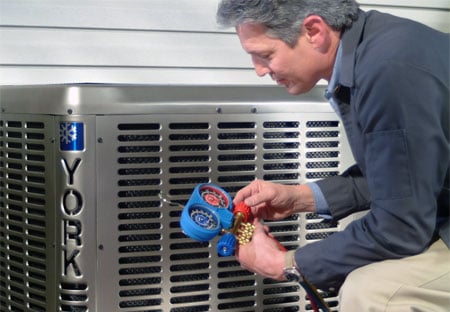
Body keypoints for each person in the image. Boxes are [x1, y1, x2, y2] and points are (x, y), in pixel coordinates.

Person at [216, 0, 450, 311]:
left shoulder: (388, 72)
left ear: (314, 31)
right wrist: (299, 197)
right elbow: (405, 175)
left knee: (370, 293)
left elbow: (401, 228)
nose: (259, 70)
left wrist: (284, 263)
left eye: (265, 55)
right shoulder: (380, 45)